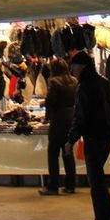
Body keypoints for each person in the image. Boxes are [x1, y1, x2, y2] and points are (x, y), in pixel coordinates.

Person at [64, 50, 110, 220]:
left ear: (82, 66)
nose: (71, 69)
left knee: (96, 182)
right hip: (105, 137)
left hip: (94, 138)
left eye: (73, 65)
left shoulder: (85, 86)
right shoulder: (104, 83)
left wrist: (71, 140)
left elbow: (81, 116)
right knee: (99, 180)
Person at [40, 58, 77, 195]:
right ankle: (70, 185)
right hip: (71, 118)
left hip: (59, 120)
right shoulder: (74, 80)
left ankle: (52, 186)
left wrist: (46, 117)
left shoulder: (54, 82)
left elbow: (51, 102)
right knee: (68, 152)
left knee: (53, 153)